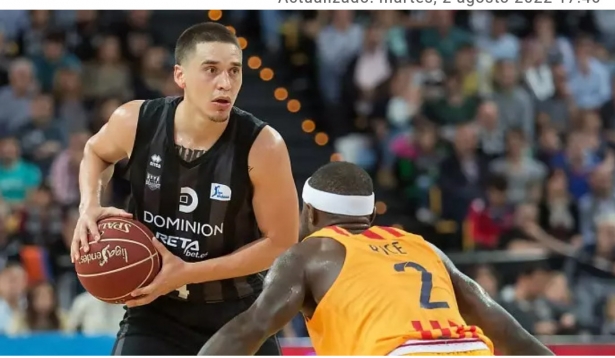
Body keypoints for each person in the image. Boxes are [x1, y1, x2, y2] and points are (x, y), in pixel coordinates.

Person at [71, 22, 299, 355]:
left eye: (234, 71)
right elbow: (95, 152)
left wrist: (187, 272)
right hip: (155, 311)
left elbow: (281, 243)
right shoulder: (136, 121)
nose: (225, 83)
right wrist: (88, 204)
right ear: (181, 76)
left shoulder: (263, 146)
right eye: (211, 70)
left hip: (237, 316)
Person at [198, 161, 554, 356]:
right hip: (471, 349)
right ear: (369, 218)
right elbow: (506, 329)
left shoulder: (311, 251)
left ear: (310, 214)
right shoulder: (423, 247)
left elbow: (252, 326)